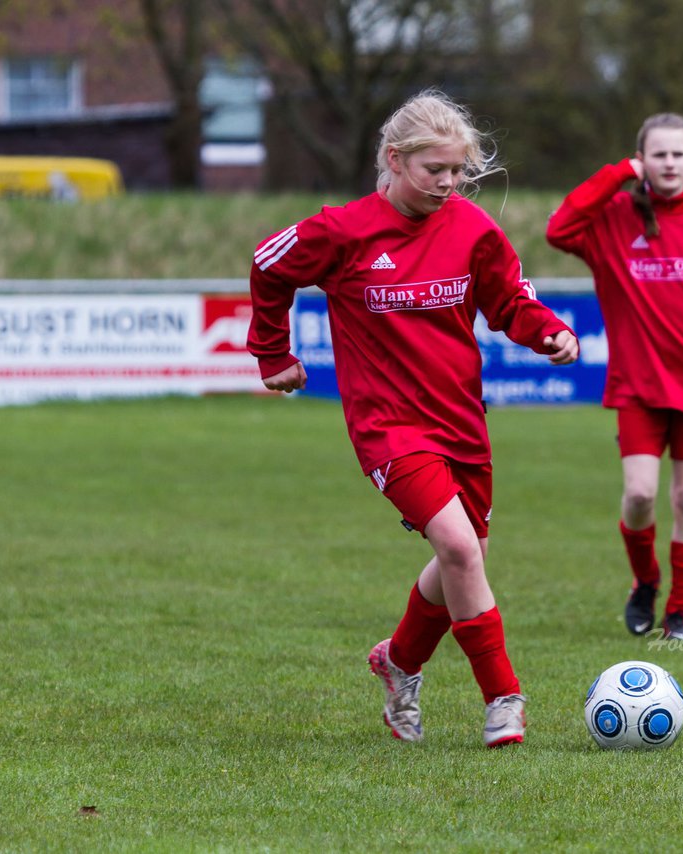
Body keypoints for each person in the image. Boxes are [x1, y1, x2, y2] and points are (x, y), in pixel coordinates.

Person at [247, 90, 579, 747]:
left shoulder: (472, 229)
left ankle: (398, 663)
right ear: (395, 161)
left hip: (461, 420)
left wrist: (546, 332)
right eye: (436, 171)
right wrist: (272, 353)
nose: (450, 184)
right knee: (458, 548)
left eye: (459, 172)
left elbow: (509, 298)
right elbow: (267, 264)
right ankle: (504, 700)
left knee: (469, 555)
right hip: (388, 425)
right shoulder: (343, 232)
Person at [545, 113, 683, 642]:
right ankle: (645, 581)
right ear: (640, 159)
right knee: (641, 495)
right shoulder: (613, 218)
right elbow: (559, 228)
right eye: (657, 154)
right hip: (637, 386)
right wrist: (615, 175)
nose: (669, 163)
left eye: (678, 154)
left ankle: (679, 614)